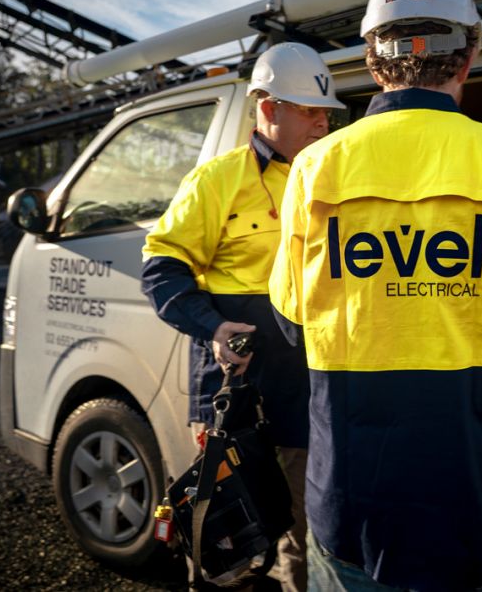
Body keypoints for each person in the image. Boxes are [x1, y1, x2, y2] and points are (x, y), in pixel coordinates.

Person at [268, 0, 482, 591]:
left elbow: (293, 318)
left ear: (372, 59)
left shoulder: (313, 168)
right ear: (468, 56)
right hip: (474, 498)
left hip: (354, 501)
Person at [141, 41, 346, 592]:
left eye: (326, 112)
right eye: (309, 109)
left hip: (308, 393)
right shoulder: (216, 181)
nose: (323, 122)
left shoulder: (335, 183)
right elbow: (162, 271)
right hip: (233, 395)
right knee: (228, 538)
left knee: (304, 537)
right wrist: (211, 327)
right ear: (266, 104)